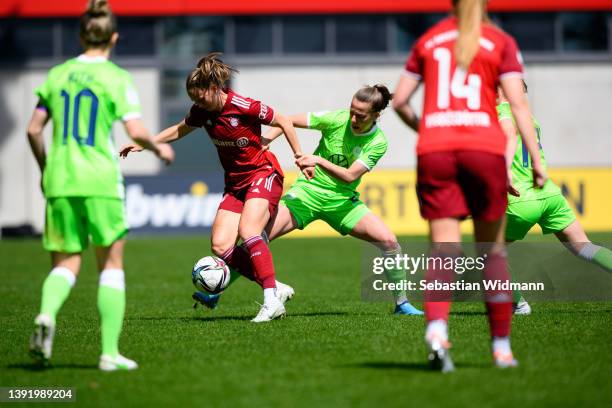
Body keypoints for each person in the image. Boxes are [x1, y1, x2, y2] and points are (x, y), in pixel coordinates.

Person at [392, 0, 546, 371]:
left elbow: (399, 101)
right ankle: (501, 348)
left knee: (444, 250)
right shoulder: (500, 41)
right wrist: (537, 161)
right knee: (493, 253)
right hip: (484, 150)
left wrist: (429, 130)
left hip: (436, 151)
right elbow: (519, 106)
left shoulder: (428, 40)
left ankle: (437, 330)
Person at [27, 0, 174, 371]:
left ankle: (46, 315)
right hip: (100, 179)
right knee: (110, 263)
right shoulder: (117, 78)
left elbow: (32, 129)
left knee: (65, 263)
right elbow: (136, 130)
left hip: (60, 178)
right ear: (114, 37)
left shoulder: (57, 74)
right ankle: (109, 353)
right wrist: (159, 148)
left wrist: (46, 168)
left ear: (80, 35)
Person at [193, 85, 423, 315]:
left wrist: (318, 161)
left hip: (342, 202)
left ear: (376, 115)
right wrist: (264, 140)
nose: (353, 118)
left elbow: (350, 175)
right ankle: (216, 291)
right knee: (256, 237)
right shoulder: (337, 119)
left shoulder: (378, 142)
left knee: (390, 242)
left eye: (360, 115)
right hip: (305, 195)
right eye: (351, 110)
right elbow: (286, 120)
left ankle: (401, 304)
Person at [120, 52, 308, 323]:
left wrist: (299, 155)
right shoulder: (201, 111)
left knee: (249, 231)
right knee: (221, 246)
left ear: (214, 88)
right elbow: (180, 129)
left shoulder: (242, 105)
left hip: (262, 174)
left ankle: (270, 301)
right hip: (235, 183)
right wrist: (147, 143)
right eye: (193, 99)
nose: (197, 103)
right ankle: (275, 287)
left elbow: (284, 120)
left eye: (200, 97)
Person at [498, 82, 612, 315]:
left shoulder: (503, 113)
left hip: (521, 198)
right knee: (584, 247)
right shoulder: (532, 119)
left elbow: (508, 135)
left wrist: (505, 170)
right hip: (549, 194)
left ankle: (519, 305)